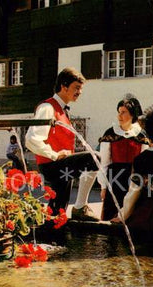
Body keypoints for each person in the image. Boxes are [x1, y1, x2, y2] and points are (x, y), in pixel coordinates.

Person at [25, 67, 99, 221]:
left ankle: (50, 239)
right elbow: (31, 139)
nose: (80, 92)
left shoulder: (62, 110)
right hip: (53, 164)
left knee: (58, 211)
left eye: (80, 88)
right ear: (64, 87)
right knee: (95, 158)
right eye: (76, 88)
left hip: (61, 166)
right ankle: (79, 207)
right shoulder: (47, 107)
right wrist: (54, 154)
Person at [98, 95, 148, 220]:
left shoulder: (141, 136)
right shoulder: (110, 133)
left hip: (133, 180)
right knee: (111, 215)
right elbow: (104, 162)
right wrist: (103, 187)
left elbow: (144, 162)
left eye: (123, 112)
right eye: (119, 112)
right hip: (114, 179)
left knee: (132, 216)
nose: (119, 116)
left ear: (132, 115)